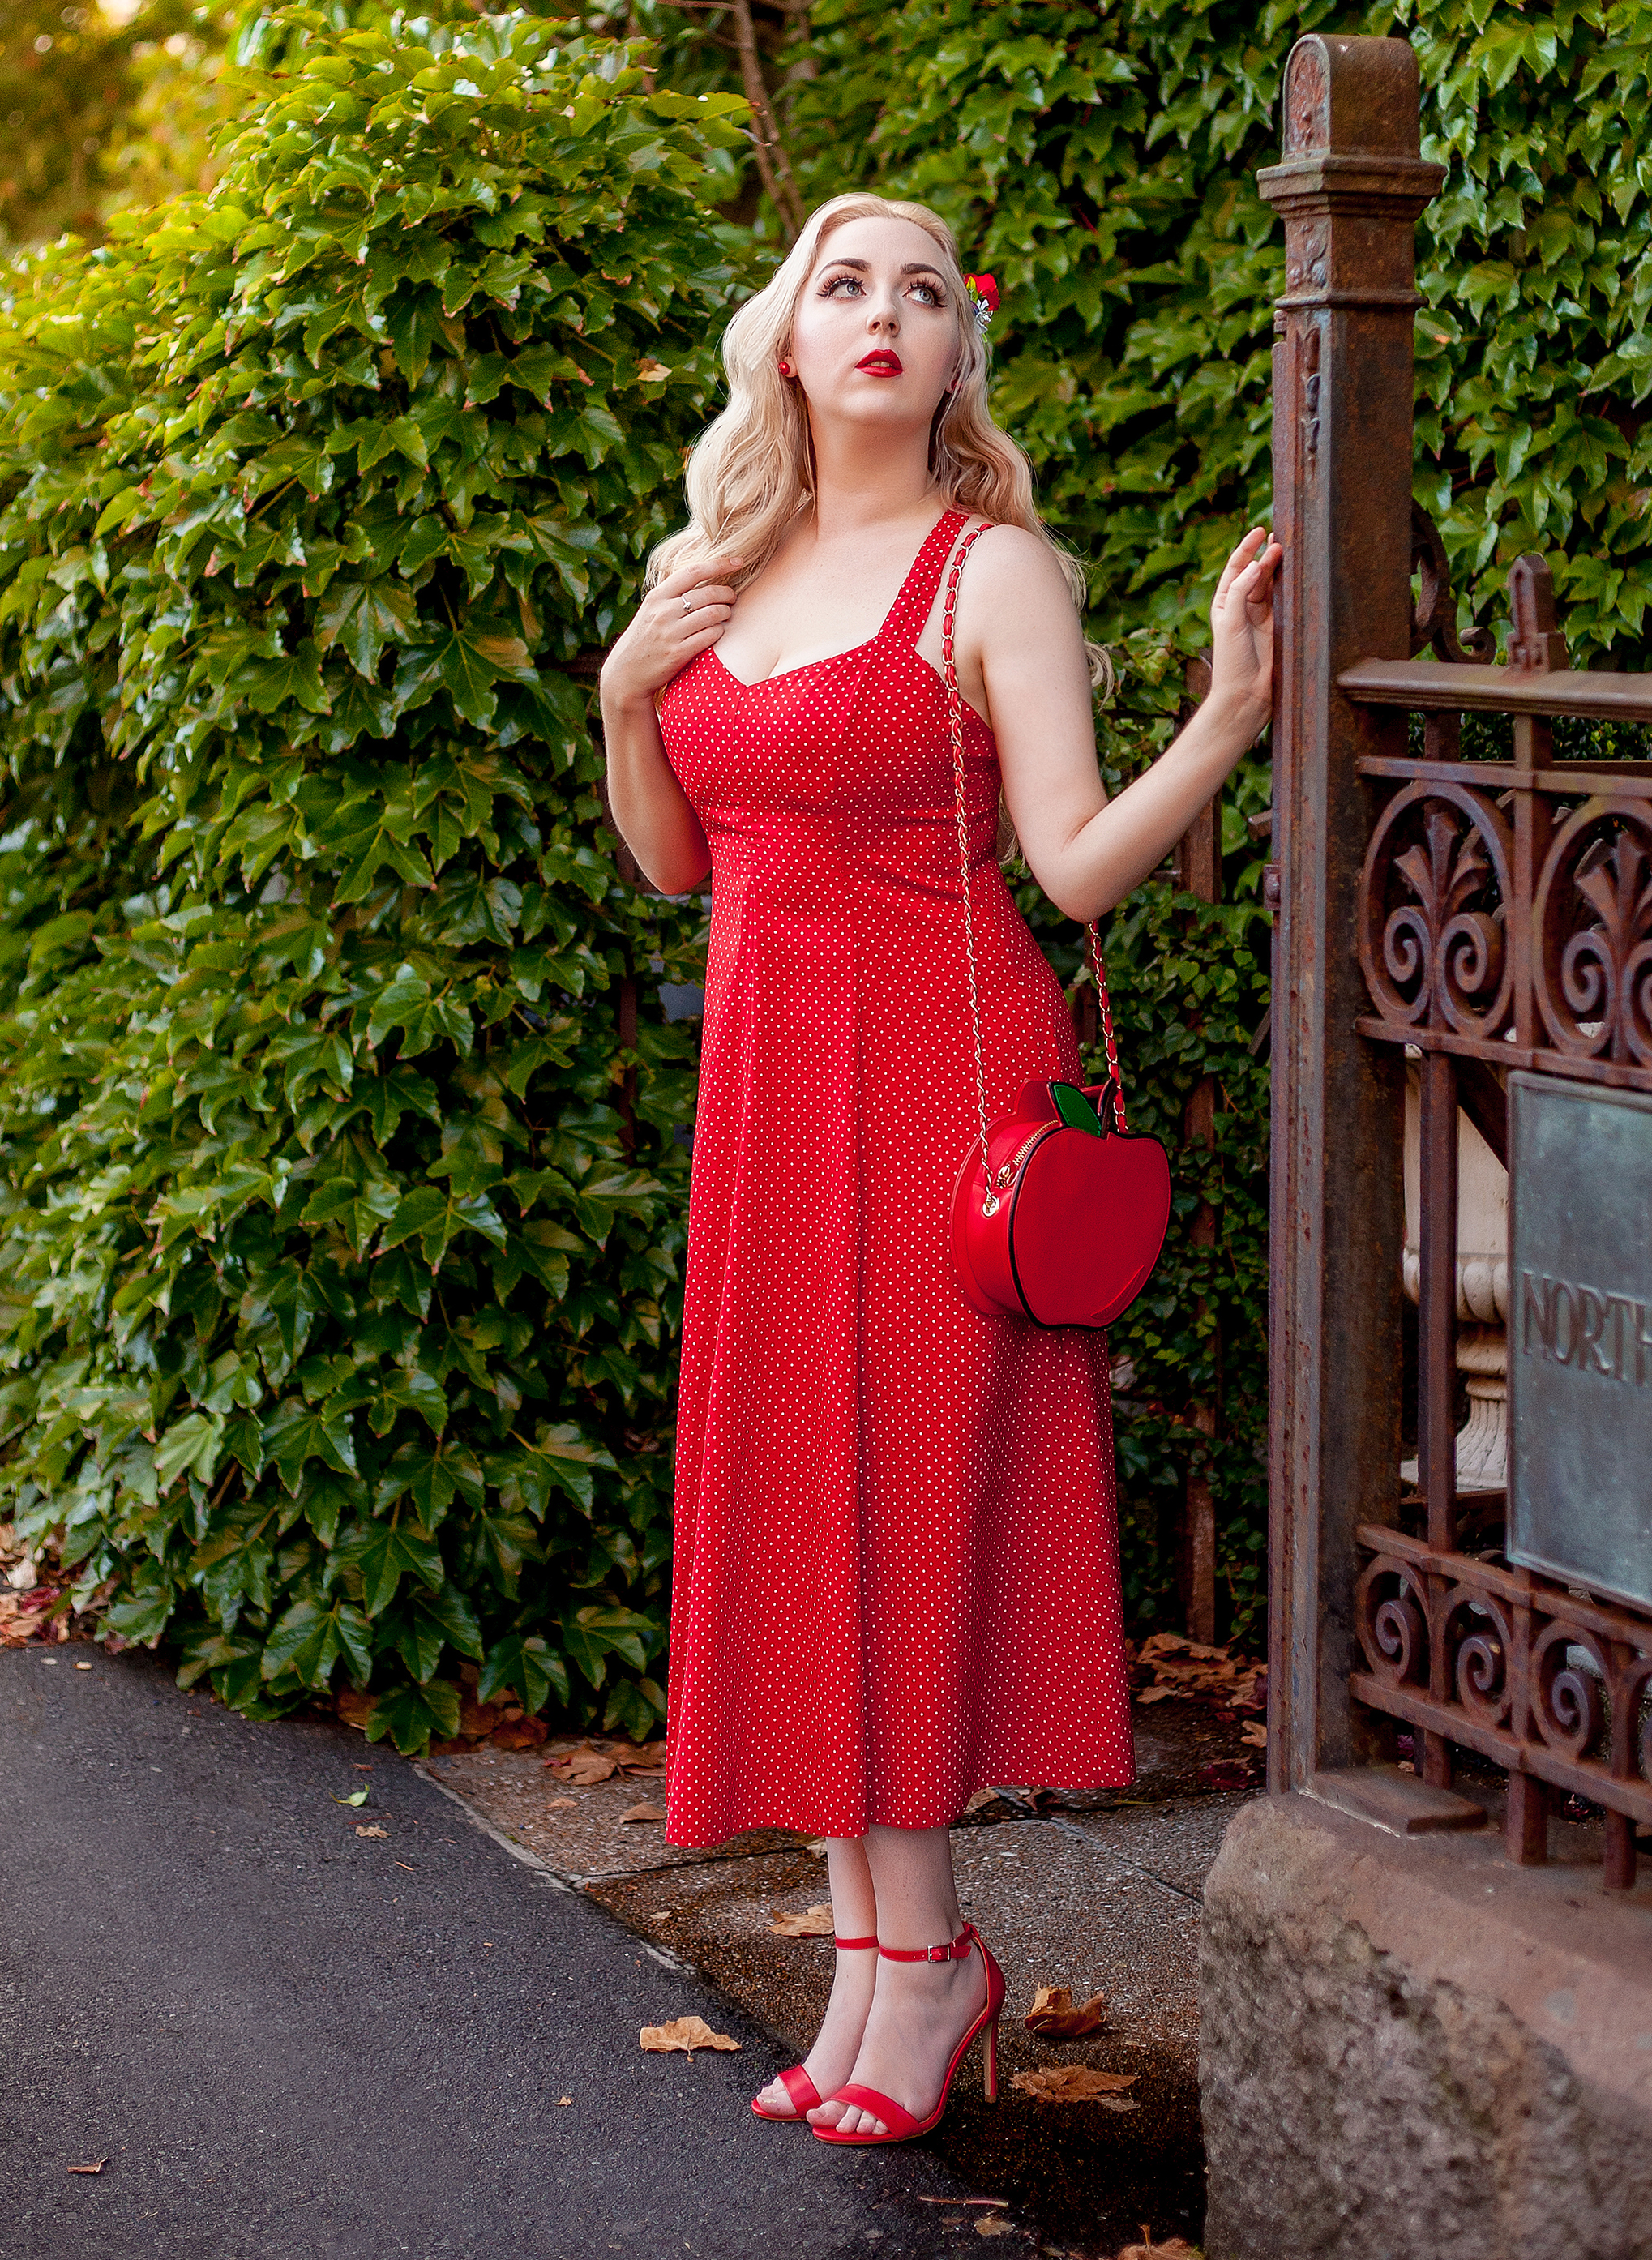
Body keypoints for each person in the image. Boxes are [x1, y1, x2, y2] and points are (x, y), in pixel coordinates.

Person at [598, 192, 1279, 2147]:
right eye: (843, 283)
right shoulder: (710, 567)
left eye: (921, 290)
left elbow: (1063, 867)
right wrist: (625, 691)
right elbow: (672, 861)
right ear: (786, 343)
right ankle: (875, 1968)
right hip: (766, 1103)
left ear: (953, 352)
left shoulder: (997, 574)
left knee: (894, 1514)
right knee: (802, 1511)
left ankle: (926, 1966)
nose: (882, 313)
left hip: (929, 1096)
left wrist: (1225, 716)